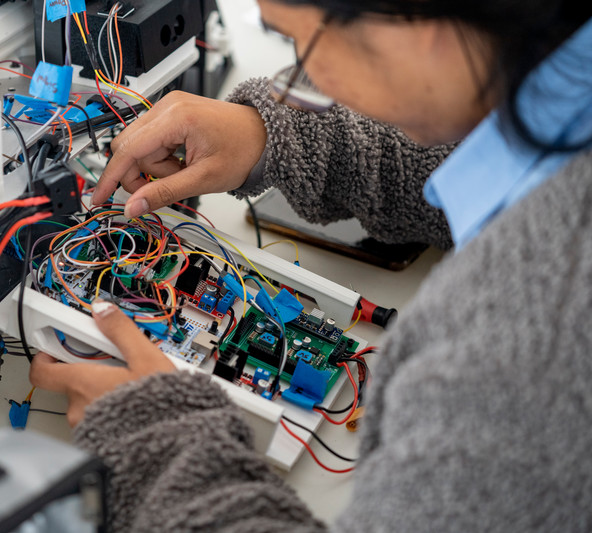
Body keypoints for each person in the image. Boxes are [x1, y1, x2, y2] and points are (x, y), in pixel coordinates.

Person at [30, 0, 592, 530]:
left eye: (301, 40)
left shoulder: (529, 350)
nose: (301, 74)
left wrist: (158, 444)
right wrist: (269, 133)